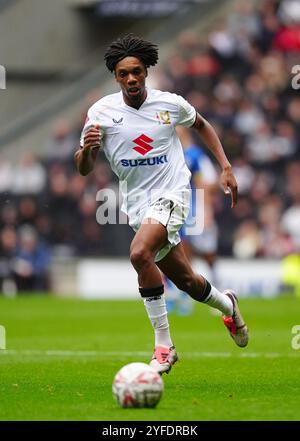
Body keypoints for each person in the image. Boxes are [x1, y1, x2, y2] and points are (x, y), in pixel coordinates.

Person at [74, 34, 248, 375]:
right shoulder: (101, 113)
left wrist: (226, 167)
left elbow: (202, 125)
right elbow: (83, 168)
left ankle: (164, 347)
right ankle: (228, 304)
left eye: (137, 72)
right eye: (124, 74)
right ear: (115, 77)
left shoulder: (170, 104)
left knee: (140, 254)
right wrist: (88, 149)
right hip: (137, 204)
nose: (132, 79)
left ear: (146, 72)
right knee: (187, 282)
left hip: (173, 194)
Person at [165, 126, 219, 315]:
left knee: (197, 253)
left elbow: (209, 183)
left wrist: (207, 211)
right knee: (171, 251)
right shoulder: (168, 153)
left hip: (191, 210)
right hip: (171, 209)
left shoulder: (194, 156)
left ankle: (203, 291)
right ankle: (175, 293)